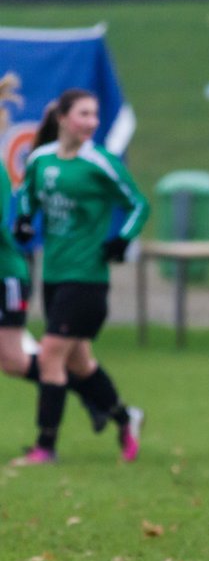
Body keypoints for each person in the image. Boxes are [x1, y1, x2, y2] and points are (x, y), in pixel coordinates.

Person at [12, 89, 149, 465]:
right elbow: (27, 195)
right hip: (55, 274)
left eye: (95, 115)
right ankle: (125, 417)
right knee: (80, 364)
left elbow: (139, 203)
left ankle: (45, 446)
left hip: (87, 277)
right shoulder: (41, 159)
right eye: (84, 115)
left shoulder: (100, 163)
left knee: (51, 356)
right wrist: (25, 220)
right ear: (63, 118)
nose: (92, 122)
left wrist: (121, 241)